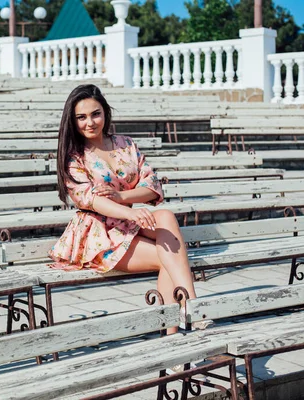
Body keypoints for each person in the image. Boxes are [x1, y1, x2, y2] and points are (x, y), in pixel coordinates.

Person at [48, 84, 209, 334]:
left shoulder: (125, 144)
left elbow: (152, 185)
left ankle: (182, 320)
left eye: (95, 114)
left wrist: (122, 196)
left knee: (165, 216)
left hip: (130, 223)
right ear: (72, 120)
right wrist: (129, 211)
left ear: (105, 113)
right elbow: (89, 199)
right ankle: (184, 318)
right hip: (99, 233)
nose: (90, 122)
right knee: (170, 258)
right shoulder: (74, 156)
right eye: (81, 117)